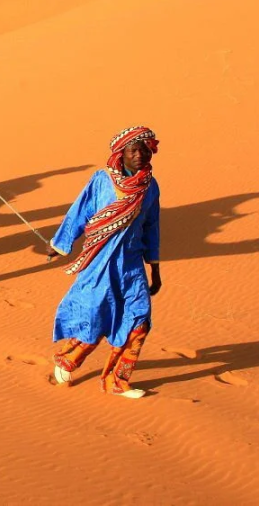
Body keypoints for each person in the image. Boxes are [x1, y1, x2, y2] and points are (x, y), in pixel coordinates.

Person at [46, 126, 161, 399]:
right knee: (96, 318)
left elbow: (152, 226)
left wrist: (154, 267)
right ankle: (67, 360)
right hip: (100, 262)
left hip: (132, 264)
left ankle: (117, 381)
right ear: (121, 154)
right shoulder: (102, 180)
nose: (140, 155)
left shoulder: (150, 186)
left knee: (140, 321)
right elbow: (79, 211)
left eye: (145, 150)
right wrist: (59, 245)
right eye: (134, 150)